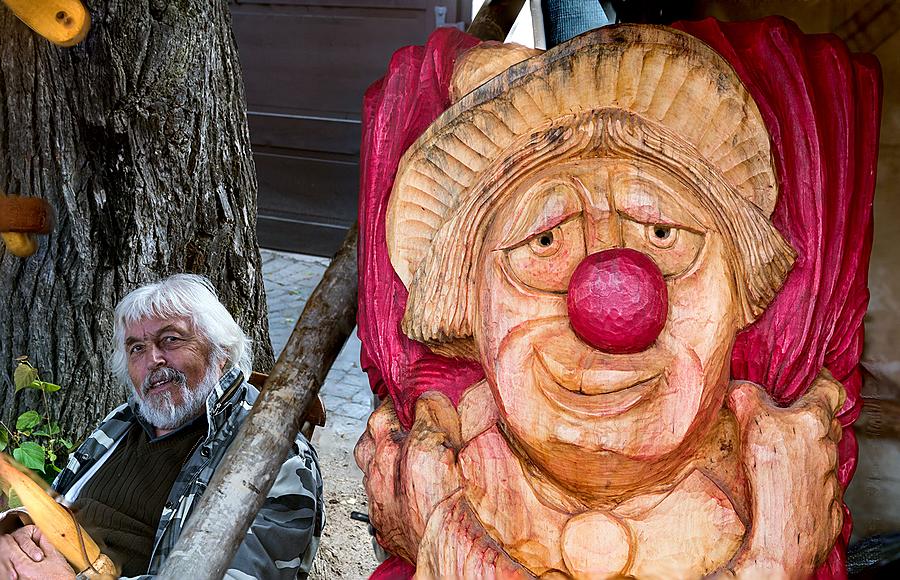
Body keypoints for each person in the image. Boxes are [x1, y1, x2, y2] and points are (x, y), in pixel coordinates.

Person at [0, 274, 324, 579]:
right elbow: (55, 502)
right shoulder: (125, 420)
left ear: (221, 352)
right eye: (137, 348)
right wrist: (13, 532)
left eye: (170, 339)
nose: (153, 359)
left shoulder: (271, 452)